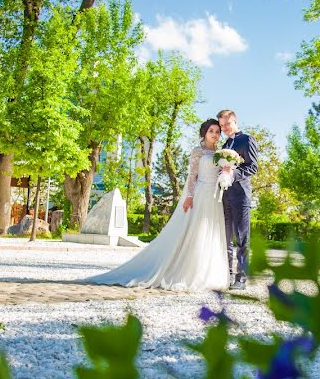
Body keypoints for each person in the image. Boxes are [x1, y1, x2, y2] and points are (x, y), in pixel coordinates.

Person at [88, 119, 230, 291]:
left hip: (214, 198)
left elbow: (223, 172)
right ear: (204, 133)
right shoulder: (197, 152)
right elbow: (192, 176)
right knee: (196, 232)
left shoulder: (221, 153)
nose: (215, 134)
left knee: (211, 232)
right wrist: (189, 196)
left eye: (217, 132)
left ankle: (208, 274)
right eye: (211, 131)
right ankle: (189, 273)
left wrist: (226, 174)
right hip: (200, 194)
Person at [217, 109, 259, 290]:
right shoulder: (225, 143)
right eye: (221, 125)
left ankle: (241, 278)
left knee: (242, 239)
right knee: (226, 239)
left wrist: (234, 173)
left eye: (227, 124)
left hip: (241, 195)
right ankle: (227, 275)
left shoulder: (246, 139)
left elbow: (253, 167)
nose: (224, 128)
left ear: (234, 121)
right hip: (224, 196)